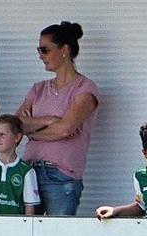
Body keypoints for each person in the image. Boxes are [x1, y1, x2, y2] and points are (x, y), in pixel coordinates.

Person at [17, 21, 99, 216]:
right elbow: (15, 125)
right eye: (39, 50)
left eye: (44, 49)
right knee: (24, 235)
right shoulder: (38, 89)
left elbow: (65, 129)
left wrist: (32, 130)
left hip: (61, 175)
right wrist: (49, 120)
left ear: (64, 50)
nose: (40, 55)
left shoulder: (85, 89)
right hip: (27, 171)